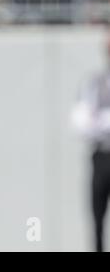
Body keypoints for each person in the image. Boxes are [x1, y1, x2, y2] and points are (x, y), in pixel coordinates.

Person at [71, 32, 110, 252]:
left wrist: (102, 119)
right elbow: (82, 123)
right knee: (97, 217)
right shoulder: (95, 82)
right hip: (102, 155)